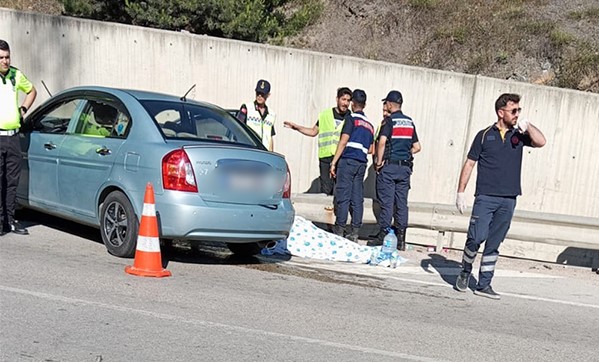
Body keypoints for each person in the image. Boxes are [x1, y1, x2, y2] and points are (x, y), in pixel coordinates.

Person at [454, 93, 546, 299]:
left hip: (509, 198)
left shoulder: (520, 135)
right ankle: (465, 270)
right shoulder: (485, 135)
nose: (517, 114)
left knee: (494, 243)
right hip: (486, 197)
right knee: (476, 237)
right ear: (500, 112)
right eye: (513, 111)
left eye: (519, 110)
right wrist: (461, 191)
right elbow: (470, 163)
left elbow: (541, 141)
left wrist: (528, 125)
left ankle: (484, 284)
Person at [369, 90, 421, 250]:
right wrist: (405, 154)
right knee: (401, 203)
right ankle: (402, 238)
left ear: (390, 104)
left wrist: (378, 161)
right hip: (405, 168)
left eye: (386, 103)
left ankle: (384, 233)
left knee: (387, 202)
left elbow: (382, 142)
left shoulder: (389, 122)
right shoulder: (409, 122)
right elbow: (417, 147)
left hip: (390, 167)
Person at [284, 87, 352, 196]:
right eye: (343, 99)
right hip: (325, 158)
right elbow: (313, 131)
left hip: (342, 158)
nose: (346, 103)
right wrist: (296, 128)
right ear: (337, 99)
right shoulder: (325, 115)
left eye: (348, 100)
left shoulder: (351, 117)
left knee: (341, 190)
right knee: (326, 190)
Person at [0, 39, 37, 235]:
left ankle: (10, 220)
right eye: (1, 58)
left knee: (12, 180)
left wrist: (22, 109)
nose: (5, 61)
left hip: (13, 137)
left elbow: (32, 91)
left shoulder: (16, 75)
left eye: (7, 57)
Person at [329, 89, 374, 241]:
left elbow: (343, 141)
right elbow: (371, 149)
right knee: (357, 197)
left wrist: (333, 163)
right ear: (365, 105)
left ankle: (339, 230)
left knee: (343, 196)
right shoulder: (369, 125)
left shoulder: (351, 119)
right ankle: (355, 232)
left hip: (347, 161)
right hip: (361, 163)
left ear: (353, 103)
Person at [237, 79, 276, 151]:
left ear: (268, 95)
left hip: (265, 152)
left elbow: (270, 137)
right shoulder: (247, 108)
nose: (259, 96)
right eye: (258, 93)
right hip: (249, 150)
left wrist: (271, 153)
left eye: (263, 94)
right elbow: (238, 129)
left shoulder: (271, 114)